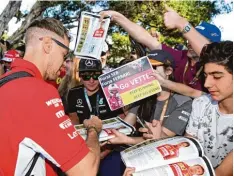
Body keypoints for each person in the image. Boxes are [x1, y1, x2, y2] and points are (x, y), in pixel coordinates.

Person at [0, 18, 102, 175]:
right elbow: (86, 171)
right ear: (47, 45)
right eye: (64, 54)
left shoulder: (5, 82)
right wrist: (94, 129)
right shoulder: (38, 91)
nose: (64, 63)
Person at [99, 7, 221, 98]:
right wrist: (118, 17)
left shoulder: (222, 68)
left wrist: (165, 83)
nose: (189, 42)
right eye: (189, 38)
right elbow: (146, 38)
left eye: (195, 39)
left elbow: (198, 94)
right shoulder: (181, 56)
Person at [185, 41, 233, 176]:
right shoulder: (201, 103)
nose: (207, 84)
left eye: (217, 76)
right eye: (205, 76)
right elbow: (188, 148)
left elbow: (222, 172)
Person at [67, 58, 123, 125]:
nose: (91, 80)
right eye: (86, 76)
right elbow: (73, 118)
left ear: (101, 75)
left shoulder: (110, 91)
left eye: (95, 75)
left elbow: (121, 116)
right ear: (80, 76)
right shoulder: (74, 93)